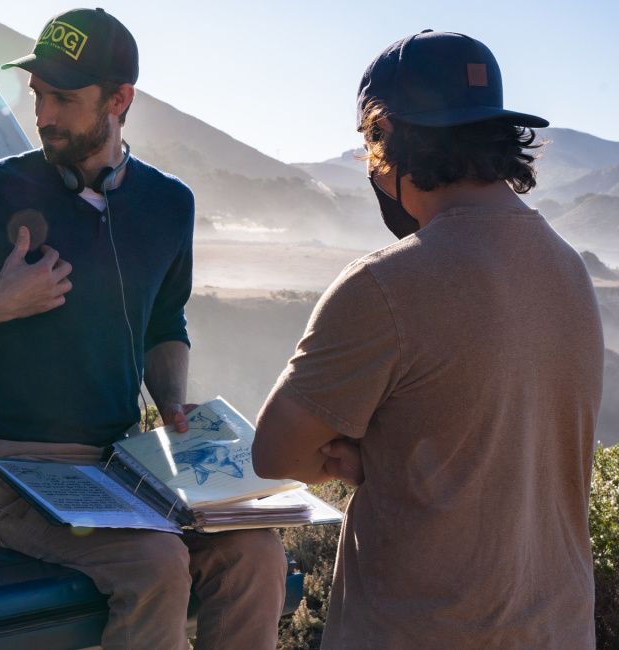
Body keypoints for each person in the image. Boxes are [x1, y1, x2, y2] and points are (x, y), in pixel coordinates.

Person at [0, 9, 286, 649]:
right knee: (154, 567)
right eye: (38, 95)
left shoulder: (169, 204)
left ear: (121, 100)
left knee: (256, 551)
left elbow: (164, 323)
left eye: (64, 97)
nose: (44, 115)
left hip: (119, 469)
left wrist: (172, 399)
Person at [252, 30, 601, 648]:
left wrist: (362, 455)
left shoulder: (383, 286)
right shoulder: (571, 271)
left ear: (385, 132)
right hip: (557, 629)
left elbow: (276, 455)